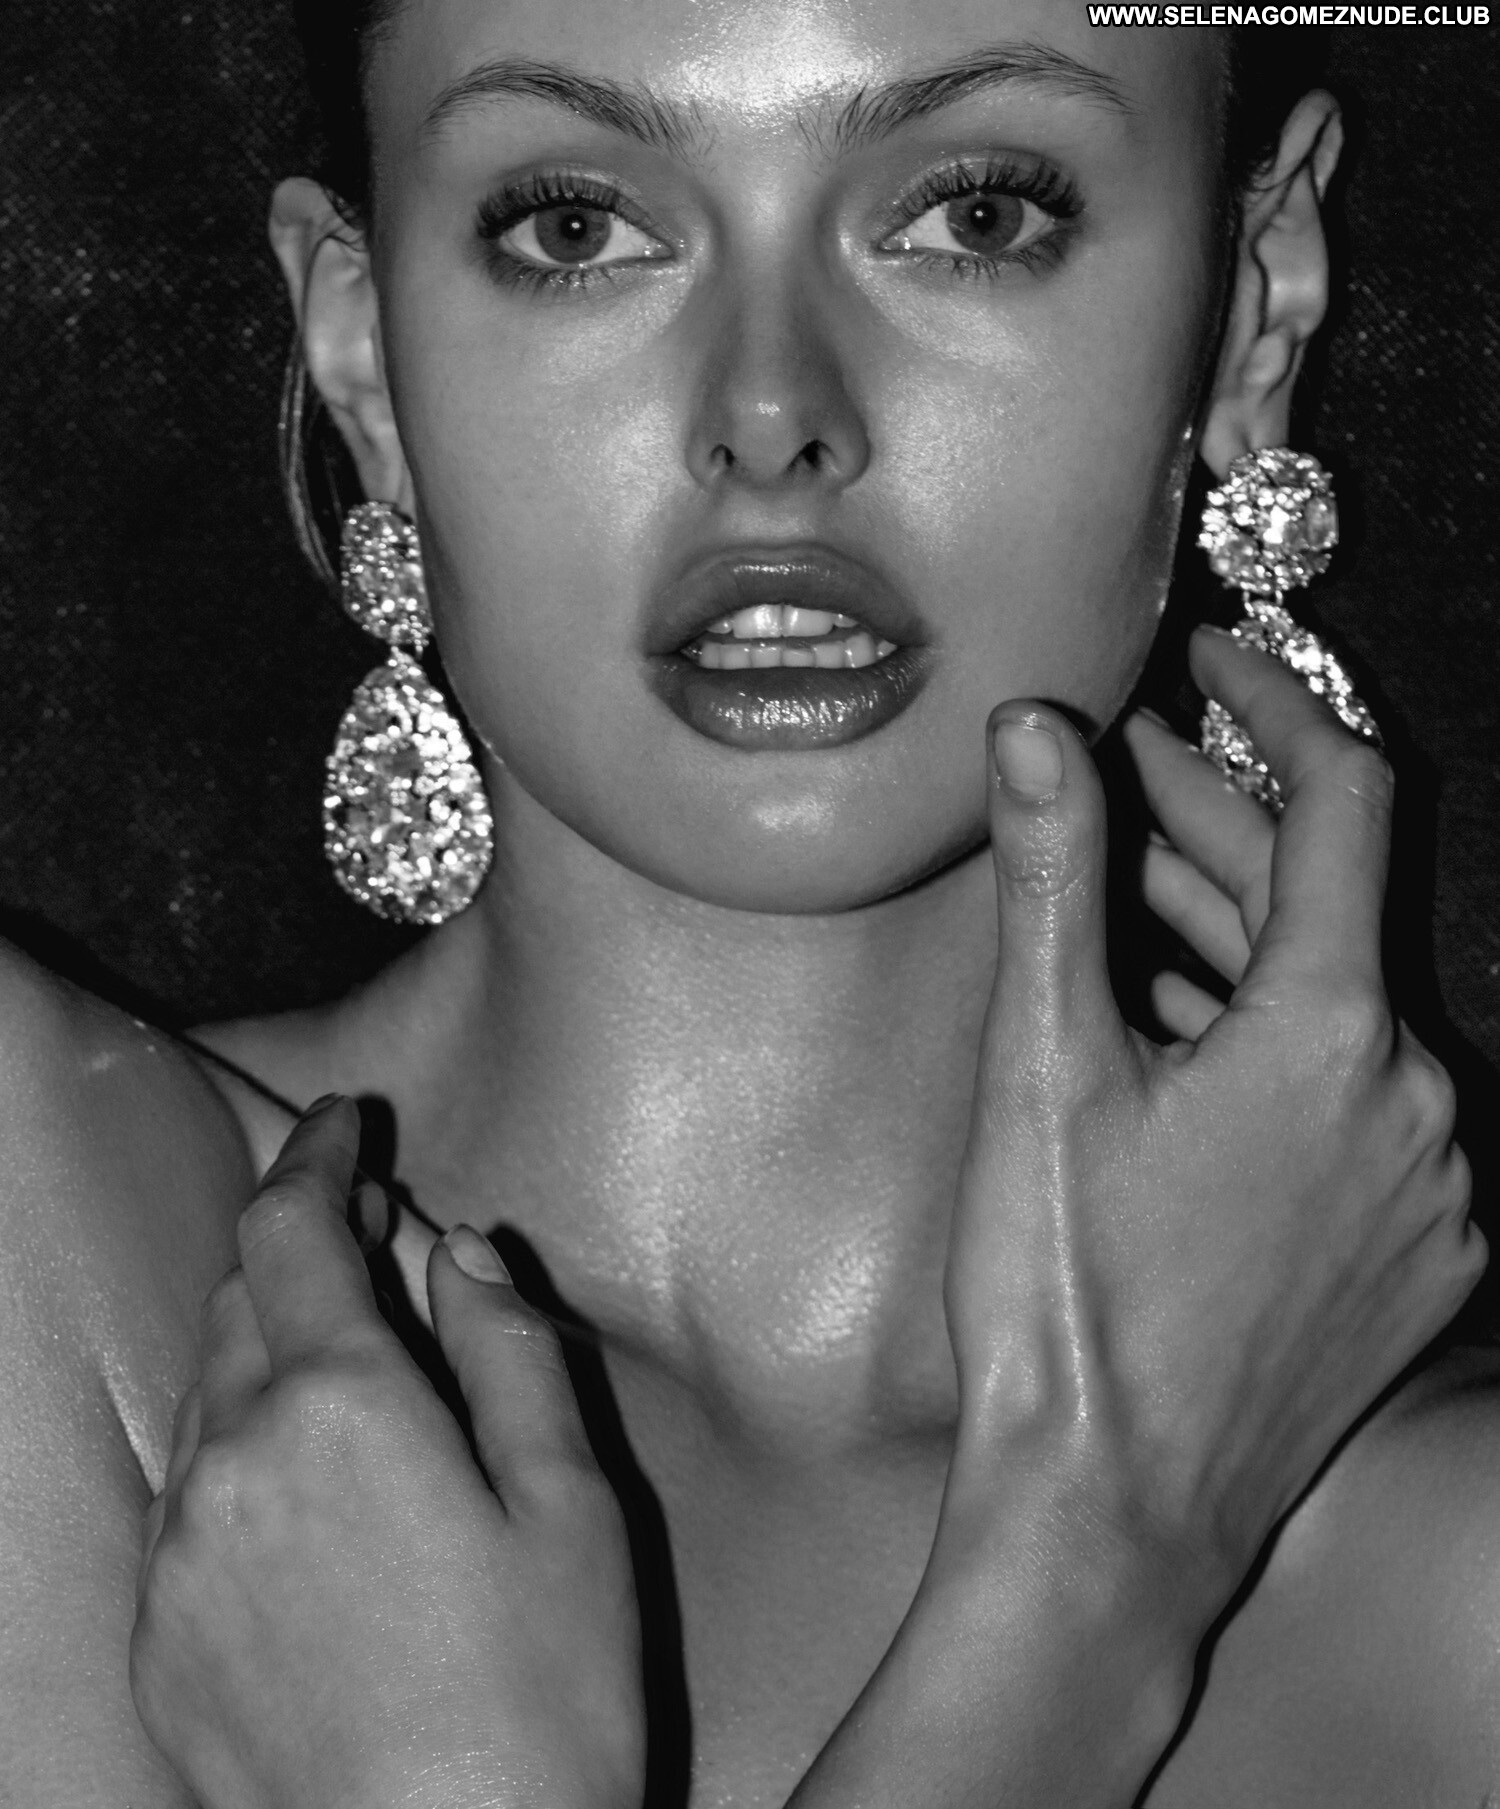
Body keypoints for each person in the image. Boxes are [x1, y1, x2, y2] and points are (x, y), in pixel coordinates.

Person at [0, 3, 1493, 1805]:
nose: (773, 416)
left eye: (977, 214)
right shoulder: (47, 1231)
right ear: (364, 354)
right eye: (575, 228)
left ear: (1253, 310)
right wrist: (1096, 1559)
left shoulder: (1456, 1589)